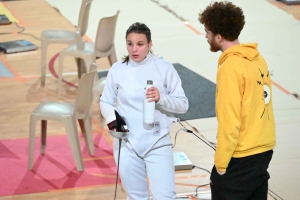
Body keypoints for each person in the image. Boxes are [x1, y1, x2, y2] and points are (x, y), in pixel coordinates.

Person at [100, 22, 188, 200]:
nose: (134, 49)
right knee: (135, 197)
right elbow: (106, 101)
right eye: (130, 43)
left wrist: (161, 98)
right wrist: (114, 121)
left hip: (158, 143)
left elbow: (183, 105)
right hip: (127, 145)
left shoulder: (164, 68)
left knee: (165, 197)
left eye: (140, 44)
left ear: (149, 44)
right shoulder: (117, 69)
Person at [198, 2, 276, 200]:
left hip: (240, 157)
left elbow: (229, 121)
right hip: (264, 151)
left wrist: (221, 165)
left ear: (218, 36)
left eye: (207, 31)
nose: (205, 36)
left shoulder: (230, 68)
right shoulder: (258, 59)